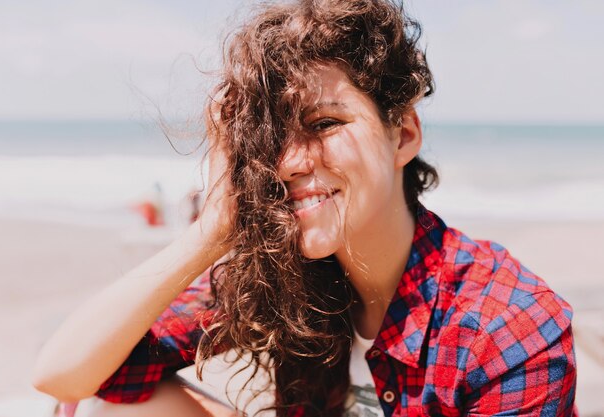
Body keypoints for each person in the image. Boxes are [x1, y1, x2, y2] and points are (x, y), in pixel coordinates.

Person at [33, 0, 578, 416]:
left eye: (324, 124)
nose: (290, 161)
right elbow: (68, 375)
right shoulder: (286, 276)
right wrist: (214, 229)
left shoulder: (504, 327)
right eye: (273, 138)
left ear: (404, 133)